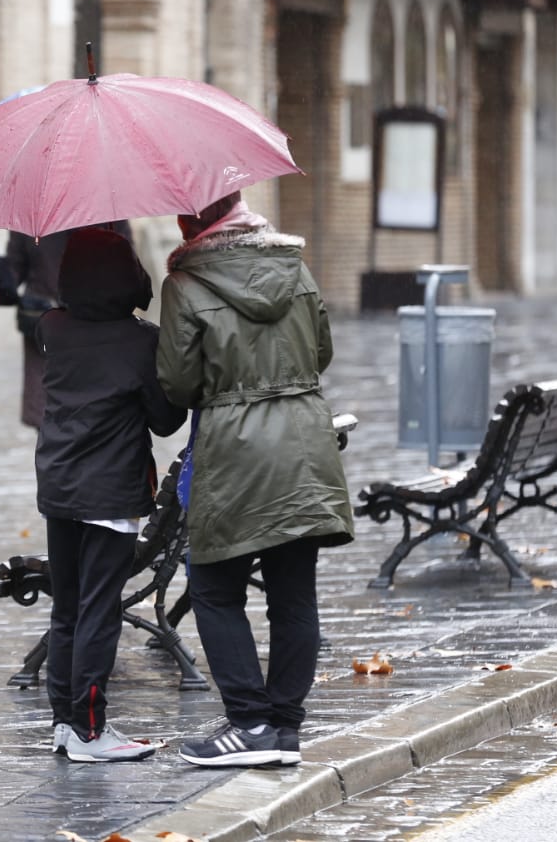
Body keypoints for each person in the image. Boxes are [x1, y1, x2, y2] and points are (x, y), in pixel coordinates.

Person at [155, 192, 354, 768]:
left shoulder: (185, 285)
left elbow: (178, 382)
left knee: (216, 590)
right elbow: (321, 351)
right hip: (303, 445)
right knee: (295, 593)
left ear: (191, 221)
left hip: (234, 451)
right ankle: (285, 728)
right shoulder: (295, 267)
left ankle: (249, 723)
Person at [36, 227, 187, 762]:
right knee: (100, 609)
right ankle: (91, 730)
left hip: (58, 487)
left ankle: (64, 721)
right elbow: (166, 421)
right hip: (111, 492)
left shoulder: (51, 327)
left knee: (69, 610)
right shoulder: (140, 340)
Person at [0, 223, 132, 429]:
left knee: (96, 420)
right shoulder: (31, 214)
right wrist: (2, 281)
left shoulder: (108, 213)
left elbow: (128, 271)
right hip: (45, 332)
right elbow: (14, 270)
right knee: (50, 420)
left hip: (94, 333)